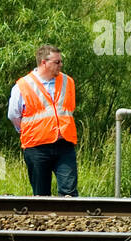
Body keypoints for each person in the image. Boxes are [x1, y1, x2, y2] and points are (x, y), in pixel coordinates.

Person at [8, 45, 78, 196]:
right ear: (44, 62)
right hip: (36, 147)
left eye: (61, 61)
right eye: (57, 62)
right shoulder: (23, 85)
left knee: (69, 192)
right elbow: (14, 115)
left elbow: (68, 110)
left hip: (64, 144)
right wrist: (30, 131)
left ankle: (69, 219)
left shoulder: (68, 82)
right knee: (41, 194)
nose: (61, 65)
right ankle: (44, 220)